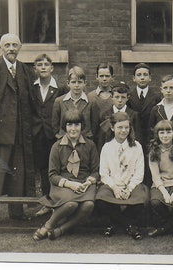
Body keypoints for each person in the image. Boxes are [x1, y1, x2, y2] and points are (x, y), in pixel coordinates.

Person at [0, 33, 35, 221]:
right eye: (7, 45)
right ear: (0, 47)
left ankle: (17, 212)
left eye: (15, 45)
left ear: (20, 48)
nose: (11, 48)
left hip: (20, 133)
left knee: (17, 175)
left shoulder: (24, 70)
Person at [33, 110, 99, 240]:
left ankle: (61, 229)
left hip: (84, 184)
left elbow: (96, 171)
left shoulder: (90, 145)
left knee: (88, 205)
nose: (73, 129)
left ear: (82, 126)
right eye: (69, 125)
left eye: (77, 125)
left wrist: (89, 182)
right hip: (63, 184)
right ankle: (48, 226)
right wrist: (70, 184)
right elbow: (52, 175)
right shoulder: (57, 146)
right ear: (64, 126)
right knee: (71, 204)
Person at [95, 112, 147, 240]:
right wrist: (115, 188)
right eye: (120, 127)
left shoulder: (136, 146)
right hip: (113, 185)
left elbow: (139, 173)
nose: (124, 131)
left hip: (130, 184)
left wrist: (129, 188)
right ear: (112, 128)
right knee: (101, 200)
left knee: (141, 200)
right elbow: (104, 174)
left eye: (126, 127)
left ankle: (114, 224)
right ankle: (129, 225)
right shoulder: (107, 147)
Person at [31, 53, 67, 216]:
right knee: (43, 168)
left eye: (46, 64)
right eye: (39, 64)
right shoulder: (32, 87)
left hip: (55, 136)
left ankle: (60, 202)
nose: (43, 67)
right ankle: (47, 203)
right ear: (35, 69)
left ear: (52, 68)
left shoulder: (60, 88)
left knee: (56, 169)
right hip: (37, 135)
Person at [127, 63, 161, 187]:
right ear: (134, 78)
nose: (142, 78)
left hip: (150, 137)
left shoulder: (156, 97)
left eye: (145, 75)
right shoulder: (129, 96)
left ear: (150, 78)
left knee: (149, 165)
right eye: (139, 75)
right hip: (134, 137)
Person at [52, 66, 96, 141]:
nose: (76, 85)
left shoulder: (91, 102)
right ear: (68, 83)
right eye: (73, 82)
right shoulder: (59, 101)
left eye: (79, 82)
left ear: (85, 83)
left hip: (85, 142)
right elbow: (55, 125)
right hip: (65, 142)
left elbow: (95, 125)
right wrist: (61, 137)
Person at [98, 82, 141, 151]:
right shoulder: (106, 114)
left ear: (128, 98)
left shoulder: (134, 115)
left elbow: (138, 137)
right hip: (110, 151)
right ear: (111, 97)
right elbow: (101, 138)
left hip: (129, 151)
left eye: (123, 97)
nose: (120, 100)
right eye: (117, 97)